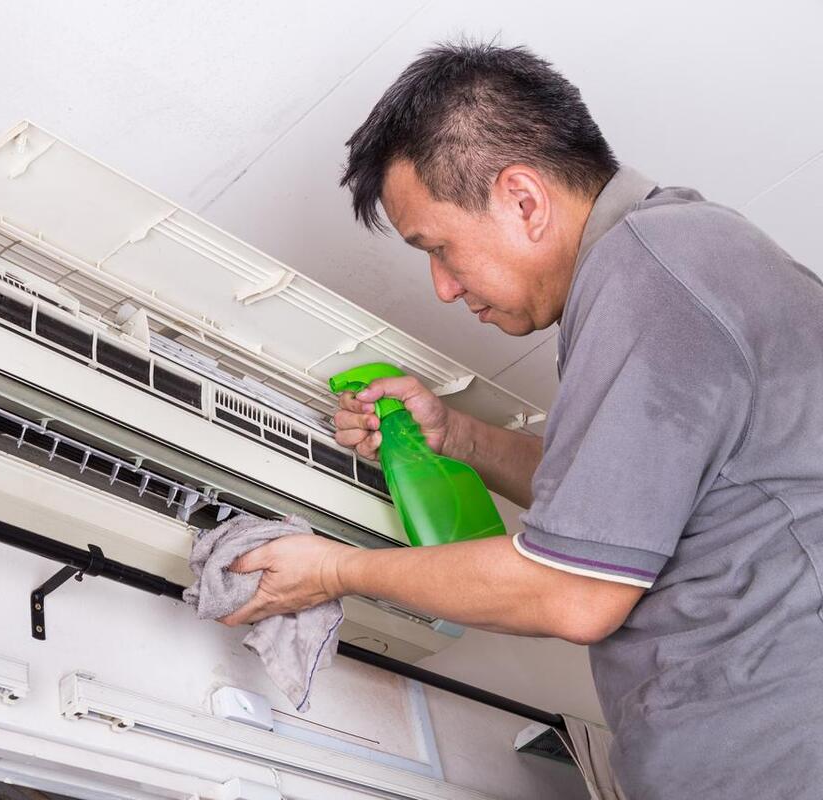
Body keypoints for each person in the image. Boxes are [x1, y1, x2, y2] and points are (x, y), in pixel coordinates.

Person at [218, 42, 823, 799]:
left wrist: (333, 570)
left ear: (524, 201)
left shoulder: (652, 273)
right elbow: (623, 510)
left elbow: (573, 592)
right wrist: (458, 437)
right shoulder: (674, 261)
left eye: (439, 248)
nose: (442, 287)